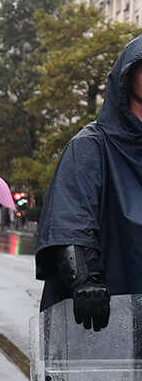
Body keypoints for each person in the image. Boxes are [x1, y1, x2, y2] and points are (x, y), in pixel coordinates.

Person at [37, 34, 142, 332]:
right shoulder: (89, 146)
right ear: (127, 76)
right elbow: (70, 221)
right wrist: (85, 278)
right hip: (107, 321)